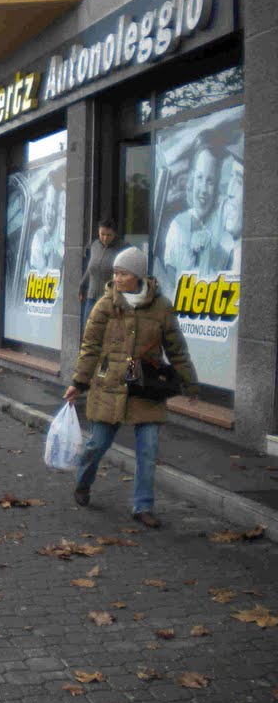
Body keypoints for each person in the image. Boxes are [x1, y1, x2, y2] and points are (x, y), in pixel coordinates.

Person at [63, 246, 199, 528]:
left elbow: (176, 348)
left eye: (123, 273)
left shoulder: (161, 307)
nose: (117, 277)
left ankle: (142, 506)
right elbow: (90, 348)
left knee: (148, 451)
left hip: (146, 390)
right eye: (115, 272)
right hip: (109, 386)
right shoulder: (104, 305)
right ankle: (83, 482)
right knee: (96, 445)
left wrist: (190, 383)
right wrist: (79, 382)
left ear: (137, 275)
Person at [162, 136, 221, 292]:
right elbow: (170, 281)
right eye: (200, 177)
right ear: (192, 179)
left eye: (210, 181)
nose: (203, 189)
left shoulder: (223, 225)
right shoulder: (177, 226)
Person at [78, 219, 128, 332]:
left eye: (109, 235)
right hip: (92, 297)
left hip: (111, 299)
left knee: (107, 332)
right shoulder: (95, 245)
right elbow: (90, 268)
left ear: (115, 233)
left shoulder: (123, 248)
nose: (105, 238)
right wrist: (82, 285)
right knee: (88, 330)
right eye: (102, 234)